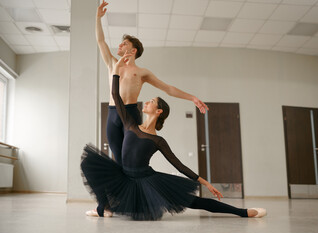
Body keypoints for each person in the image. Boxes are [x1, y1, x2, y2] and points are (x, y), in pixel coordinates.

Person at [80, 57, 267, 220]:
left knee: (194, 202)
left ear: (158, 111)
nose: (146, 102)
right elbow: (115, 95)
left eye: (151, 102)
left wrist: (206, 182)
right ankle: (102, 208)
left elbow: (179, 166)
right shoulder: (130, 123)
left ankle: (243, 212)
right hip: (124, 176)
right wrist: (115, 71)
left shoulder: (158, 141)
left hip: (147, 180)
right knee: (89, 164)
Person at [96, 0, 208, 166]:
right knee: (117, 159)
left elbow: (168, 88)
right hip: (113, 114)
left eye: (124, 43)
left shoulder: (142, 73)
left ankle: (137, 189)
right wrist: (97, 18)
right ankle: (121, 192)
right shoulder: (113, 64)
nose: (119, 45)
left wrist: (192, 98)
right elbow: (100, 41)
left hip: (131, 114)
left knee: (130, 160)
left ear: (133, 51)